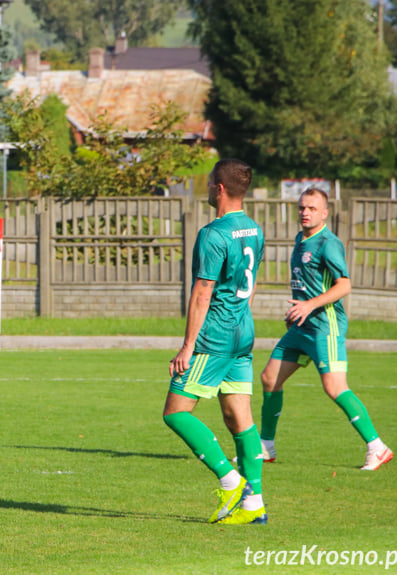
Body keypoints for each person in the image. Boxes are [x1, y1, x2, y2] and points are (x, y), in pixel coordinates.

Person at [163, 158, 267, 526]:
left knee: (175, 412)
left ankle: (230, 480)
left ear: (218, 188)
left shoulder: (213, 233)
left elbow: (202, 292)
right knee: (238, 418)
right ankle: (254, 505)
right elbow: (249, 286)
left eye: (209, 183)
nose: (207, 188)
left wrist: (189, 345)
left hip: (215, 337)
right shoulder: (255, 229)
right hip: (243, 333)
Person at [259, 188, 393, 471]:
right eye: (301, 207)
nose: (305, 212)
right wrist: (298, 310)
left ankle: (376, 446)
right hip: (301, 327)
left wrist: (309, 305)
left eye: (311, 208)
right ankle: (266, 447)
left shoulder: (328, 244)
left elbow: (344, 285)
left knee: (334, 387)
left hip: (325, 326)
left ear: (324, 213)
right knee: (270, 379)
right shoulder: (300, 239)